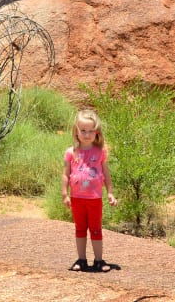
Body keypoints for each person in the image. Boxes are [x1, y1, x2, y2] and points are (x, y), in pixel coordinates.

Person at [62, 108, 117, 273]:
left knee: (95, 229)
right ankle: (81, 259)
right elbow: (65, 174)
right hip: (77, 197)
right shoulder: (71, 152)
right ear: (76, 131)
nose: (86, 134)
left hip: (94, 198)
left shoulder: (100, 152)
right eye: (83, 130)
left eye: (90, 131)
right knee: (80, 228)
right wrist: (65, 194)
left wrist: (110, 192)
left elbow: (106, 173)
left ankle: (99, 260)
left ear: (97, 132)